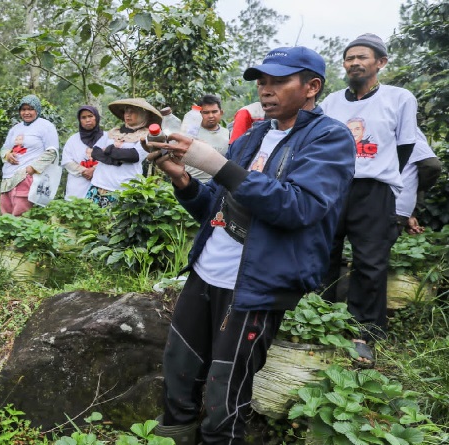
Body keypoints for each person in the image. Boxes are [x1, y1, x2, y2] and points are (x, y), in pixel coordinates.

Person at [146, 46, 355, 445]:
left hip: (255, 284)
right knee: (179, 366)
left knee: (226, 388)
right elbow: (217, 207)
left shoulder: (330, 138)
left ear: (312, 86)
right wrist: (184, 181)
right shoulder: (254, 135)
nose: (265, 89)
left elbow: (299, 206)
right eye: (262, 81)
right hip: (208, 269)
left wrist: (217, 165)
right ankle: (173, 436)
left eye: (279, 81)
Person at [319, 33, 419, 367]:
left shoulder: (398, 98)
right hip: (334, 188)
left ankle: (363, 333)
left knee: (370, 261)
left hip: (374, 190)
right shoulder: (331, 102)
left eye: (363, 57)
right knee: (323, 253)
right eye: (349, 58)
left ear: (380, 62)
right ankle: (320, 318)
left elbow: (406, 147)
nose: (355, 63)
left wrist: (381, 173)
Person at [86, 98, 162, 207]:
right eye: (126, 111)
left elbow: (133, 156)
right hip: (99, 184)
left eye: (132, 111)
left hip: (124, 188)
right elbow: (95, 152)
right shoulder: (113, 132)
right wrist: (117, 159)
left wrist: (108, 149)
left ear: (142, 115)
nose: (128, 114)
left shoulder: (146, 136)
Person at [0, 95, 59, 216]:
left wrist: (31, 169)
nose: (26, 112)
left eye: (30, 109)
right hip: (8, 178)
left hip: (26, 177)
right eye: (23, 109)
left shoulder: (46, 126)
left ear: (37, 110)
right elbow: (4, 148)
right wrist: (7, 155)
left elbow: (52, 151)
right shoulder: (15, 128)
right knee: (5, 216)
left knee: (21, 215)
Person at [395, 129, 443, 235]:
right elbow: (432, 165)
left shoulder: (357, 123)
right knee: (375, 250)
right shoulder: (405, 127)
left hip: (357, 201)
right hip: (395, 205)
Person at [61, 105, 109, 200]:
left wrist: (94, 170)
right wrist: (84, 171)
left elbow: (112, 159)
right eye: (83, 117)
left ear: (96, 117)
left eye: (90, 116)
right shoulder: (73, 139)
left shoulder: (108, 138)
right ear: (79, 120)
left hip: (101, 187)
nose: (87, 120)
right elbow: (66, 161)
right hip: (76, 189)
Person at [180, 94, 230, 182]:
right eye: (206, 112)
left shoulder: (228, 134)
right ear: (199, 114)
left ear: (221, 113)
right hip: (192, 185)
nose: (211, 116)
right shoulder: (189, 133)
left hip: (219, 186)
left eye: (214, 112)